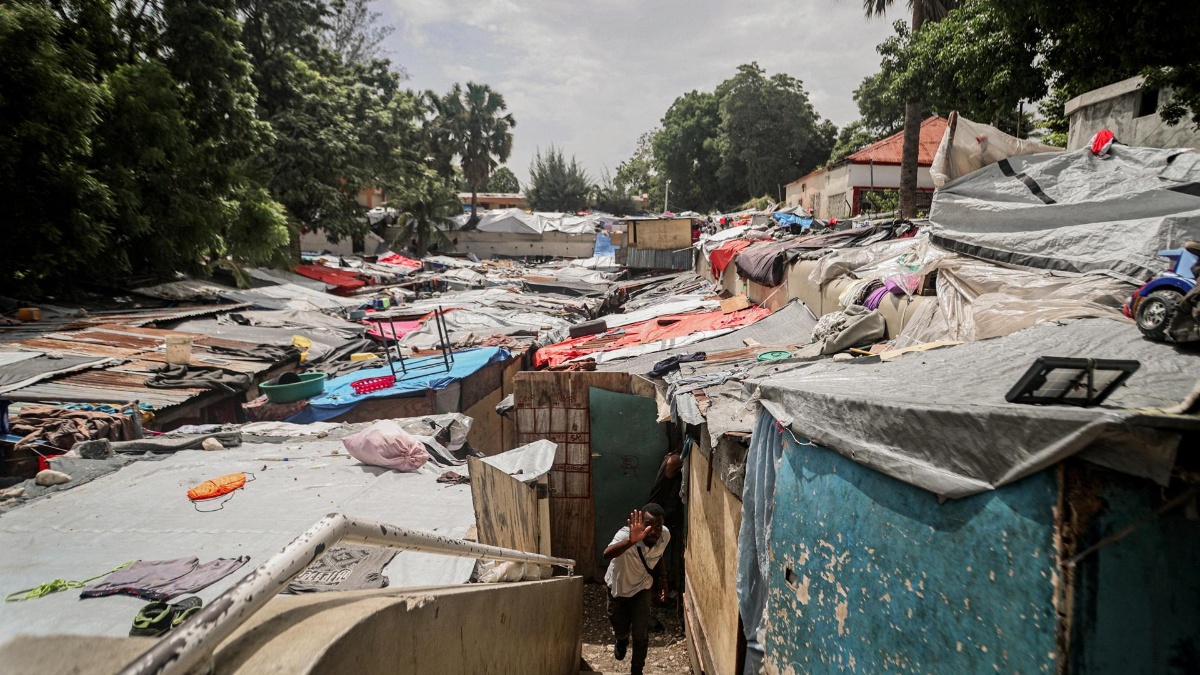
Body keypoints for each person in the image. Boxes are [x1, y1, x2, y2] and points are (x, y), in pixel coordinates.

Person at [604, 503, 670, 675]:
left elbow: (659, 555)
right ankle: (621, 639)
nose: (653, 531)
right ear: (640, 522)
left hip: (642, 589)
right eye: (648, 525)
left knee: (640, 635)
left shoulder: (664, 535)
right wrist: (630, 542)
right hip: (618, 589)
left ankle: (636, 670)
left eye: (658, 526)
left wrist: (662, 579)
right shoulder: (625, 535)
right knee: (619, 625)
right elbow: (607, 554)